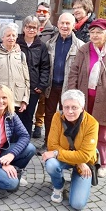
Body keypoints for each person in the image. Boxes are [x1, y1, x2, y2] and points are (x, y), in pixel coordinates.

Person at [67, 18, 106, 178]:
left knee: (103, 134)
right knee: (81, 130)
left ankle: (102, 163)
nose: (94, 35)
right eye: (92, 32)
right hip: (85, 98)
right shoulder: (85, 49)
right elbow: (74, 71)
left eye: (98, 32)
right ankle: (81, 159)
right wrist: (71, 95)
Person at [36, 13, 84, 155]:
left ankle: (68, 144)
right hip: (52, 86)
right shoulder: (50, 43)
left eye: (68, 23)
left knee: (70, 116)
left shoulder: (80, 46)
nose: (64, 26)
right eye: (62, 23)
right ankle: (48, 142)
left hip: (69, 88)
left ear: (74, 25)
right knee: (49, 115)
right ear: (57, 24)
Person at [42, 89, 98, 210]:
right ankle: (59, 186)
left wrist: (79, 161)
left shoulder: (92, 123)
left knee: (77, 205)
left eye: (74, 107)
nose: (70, 111)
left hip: (85, 162)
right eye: (66, 107)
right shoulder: (57, 117)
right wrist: (78, 160)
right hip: (73, 159)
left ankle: (76, 182)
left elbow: (84, 156)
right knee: (51, 164)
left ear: (82, 108)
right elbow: (52, 145)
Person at [0, 23, 30, 122]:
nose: (11, 38)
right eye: (8, 35)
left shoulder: (21, 55)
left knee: (15, 133)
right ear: (2, 37)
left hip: (16, 102)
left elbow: (26, 79)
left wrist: (25, 99)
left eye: (13, 35)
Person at [16, 15, 50, 136]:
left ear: (38, 29)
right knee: (15, 114)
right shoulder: (16, 42)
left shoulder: (41, 46)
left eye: (34, 28)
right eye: (28, 27)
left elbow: (45, 67)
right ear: (23, 28)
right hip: (17, 86)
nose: (31, 30)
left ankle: (25, 141)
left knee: (28, 115)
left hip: (33, 88)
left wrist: (41, 85)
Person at [34, 2, 58, 138]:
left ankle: (38, 124)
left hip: (46, 69)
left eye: (44, 12)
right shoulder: (31, 27)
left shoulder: (54, 30)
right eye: (39, 11)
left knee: (43, 100)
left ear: (49, 14)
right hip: (32, 68)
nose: (41, 14)